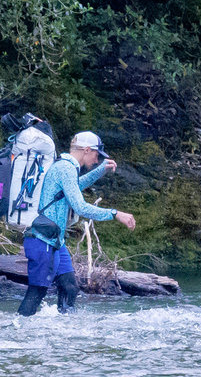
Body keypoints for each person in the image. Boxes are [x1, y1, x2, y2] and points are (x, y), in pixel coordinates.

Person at [17, 131, 136, 316]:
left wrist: (100, 171)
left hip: (55, 241)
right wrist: (115, 214)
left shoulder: (67, 167)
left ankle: (64, 333)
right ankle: (18, 332)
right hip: (41, 239)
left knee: (70, 287)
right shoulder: (65, 167)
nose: (97, 160)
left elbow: (74, 186)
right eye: (97, 155)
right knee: (36, 293)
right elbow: (80, 207)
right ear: (87, 150)